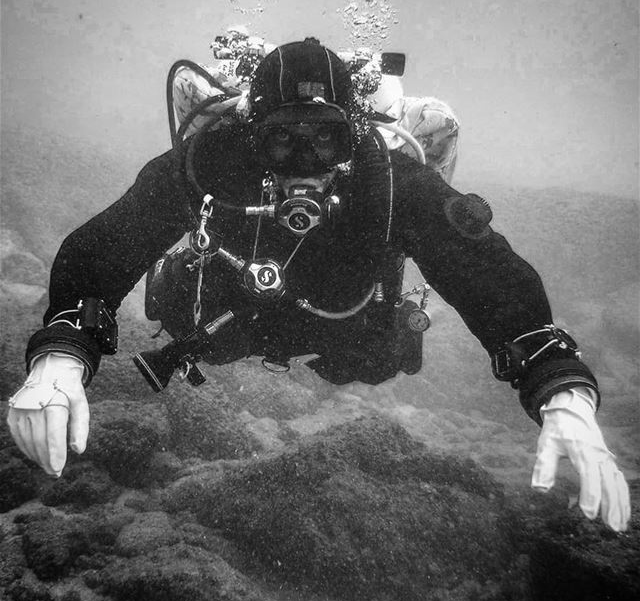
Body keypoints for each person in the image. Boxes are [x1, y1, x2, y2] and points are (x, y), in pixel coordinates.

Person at [7, 37, 630, 533]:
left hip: (347, 323)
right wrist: (65, 347)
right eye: (282, 135)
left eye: (324, 135)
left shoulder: (386, 176)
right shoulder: (213, 159)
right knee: (185, 315)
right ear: (253, 130)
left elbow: (484, 271)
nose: (305, 155)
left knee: (376, 361)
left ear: (352, 131)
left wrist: (556, 379)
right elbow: (107, 244)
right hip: (230, 317)